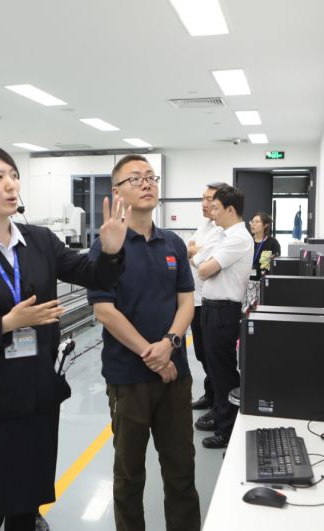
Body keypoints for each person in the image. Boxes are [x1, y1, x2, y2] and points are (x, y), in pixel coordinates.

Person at [0, 145, 128, 531]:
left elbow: (93, 275)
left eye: (13, 175)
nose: (11, 185)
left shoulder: (40, 240)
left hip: (40, 394)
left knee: (27, 505)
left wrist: (110, 252)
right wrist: (6, 324)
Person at [87, 154, 201, 531]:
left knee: (181, 471)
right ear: (117, 192)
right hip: (128, 378)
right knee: (129, 474)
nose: (147, 183)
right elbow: (104, 310)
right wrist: (151, 355)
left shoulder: (173, 244)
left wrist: (169, 344)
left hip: (175, 376)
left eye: (151, 177)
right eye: (135, 178)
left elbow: (187, 302)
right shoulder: (107, 246)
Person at [195, 185, 254, 449]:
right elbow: (203, 262)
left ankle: (228, 430)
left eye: (216, 207)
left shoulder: (238, 238)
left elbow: (203, 270)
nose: (212, 212)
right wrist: (208, 266)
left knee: (224, 373)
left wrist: (208, 266)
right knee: (215, 369)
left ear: (230, 209)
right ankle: (221, 418)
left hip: (223, 311)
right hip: (211, 308)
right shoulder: (222, 234)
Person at [187, 183, 224, 435]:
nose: (204, 203)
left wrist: (195, 252)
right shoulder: (205, 226)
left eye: (209, 199)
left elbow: (201, 261)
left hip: (210, 300)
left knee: (214, 358)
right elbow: (190, 248)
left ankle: (219, 407)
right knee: (202, 354)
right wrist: (195, 251)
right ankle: (210, 395)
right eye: (202, 198)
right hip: (196, 299)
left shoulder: (222, 230)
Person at [249, 211, 281, 279]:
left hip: (265, 279)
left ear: (265, 225)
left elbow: (276, 264)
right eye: (252, 221)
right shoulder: (247, 241)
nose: (253, 224)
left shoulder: (273, 243)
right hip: (247, 279)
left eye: (257, 222)